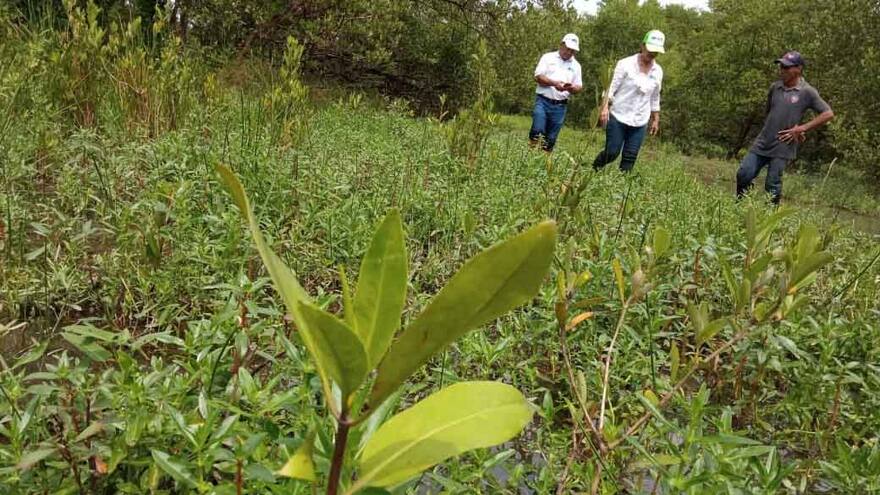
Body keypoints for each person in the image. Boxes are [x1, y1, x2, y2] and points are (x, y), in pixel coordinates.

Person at [736, 51, 834, 204]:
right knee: (744, 174)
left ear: (798, 69)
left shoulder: (807, 91)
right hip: (763, 141)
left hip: (783, 144)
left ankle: (770, 218)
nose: (782, 70)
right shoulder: (775, 87)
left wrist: (802, 128)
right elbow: (769, 114)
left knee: (772, 184)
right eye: (781, 66)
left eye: (787, 67)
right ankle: (741, 206)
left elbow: (828, 113)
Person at [592, 30, 665, 173]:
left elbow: (655, 96)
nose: (652, 54)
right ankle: (594, 168)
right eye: (650, 49)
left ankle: (620, 187)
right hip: (619, 115)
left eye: (656, 51)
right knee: (612, 152)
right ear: (642, 46)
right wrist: (604, 108)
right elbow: (610, 88)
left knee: (630, 157)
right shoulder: (625, 64)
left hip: (640, 120)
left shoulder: (658, 71)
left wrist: (655, 119)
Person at [529, 33, 583, 152]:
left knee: (551, 139)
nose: (569, 53)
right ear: (561, 45)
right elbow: (538, 77)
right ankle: (530, 155)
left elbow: (579, 86)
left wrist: (572, 88)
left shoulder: (577, 66)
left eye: (572, 51)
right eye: (568, 49)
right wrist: (555, 84)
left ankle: (543, 163)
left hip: (560, 105)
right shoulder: (548, 58)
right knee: (537, 130)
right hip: (543, 101)